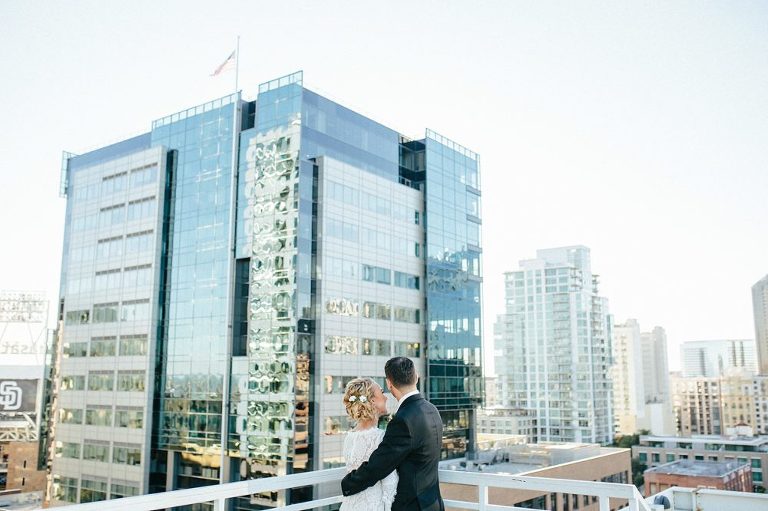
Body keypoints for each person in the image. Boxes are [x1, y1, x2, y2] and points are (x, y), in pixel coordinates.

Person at [341, 357, 444, 511]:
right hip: (433, 503)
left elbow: (379, 465)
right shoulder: (432, 409)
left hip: (412, 506)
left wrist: (348, 484)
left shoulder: (402, 420)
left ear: (389, 383)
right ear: (416, 377)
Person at [340, 377, 398, 511]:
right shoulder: (380, 437)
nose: (386, 397)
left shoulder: (349, 437)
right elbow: (390, 483)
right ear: (372, 401)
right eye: (382, 392)